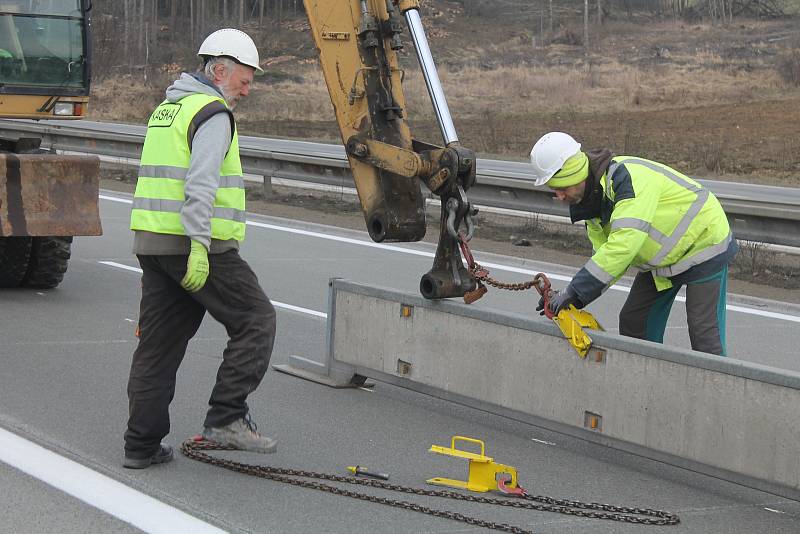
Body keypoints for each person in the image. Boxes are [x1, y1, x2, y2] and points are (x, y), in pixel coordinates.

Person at [123, 29, 278, 469]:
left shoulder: (167, 109)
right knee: (256, 319)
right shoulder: (212, 112)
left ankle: (141, 445)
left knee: (157, 349)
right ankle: (226, 418)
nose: (247, 90)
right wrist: (199, 245)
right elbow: (201, 183)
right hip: (197, 245)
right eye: (245, 80)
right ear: (221, 69)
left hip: (153, 245)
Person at [529, 132, 737, 356]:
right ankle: (647, 382)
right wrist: (573, 298)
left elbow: (623, 246)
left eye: (562, 188)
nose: (559, 196)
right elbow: (606, 258)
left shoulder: (626, 180)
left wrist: (575, 291)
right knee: (634, 322)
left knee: (704, 336)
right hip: (663, 259)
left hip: (703, 245)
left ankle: (715, 390)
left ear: (576, 175)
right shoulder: (591, 202)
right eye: (553, 189)